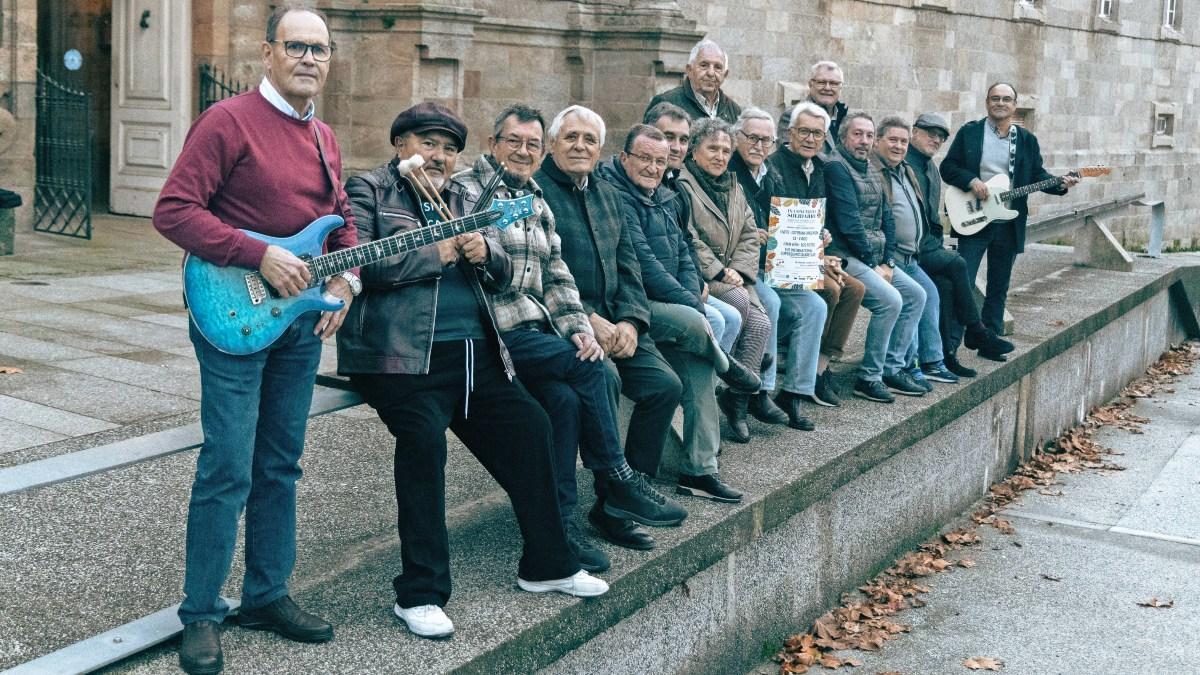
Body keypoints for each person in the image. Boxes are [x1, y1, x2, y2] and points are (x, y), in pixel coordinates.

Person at [339, 102, 608, 641]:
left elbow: (506, 277)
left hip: (474, 355)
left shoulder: (466, 196)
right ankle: (420, 592)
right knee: (422, 444)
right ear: (401, 146)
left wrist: (486, 252)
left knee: (533, 427)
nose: (437, 156)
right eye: (426, 143)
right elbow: (363, 263)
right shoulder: (368, 189)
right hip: (402, 358)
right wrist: (435, 254)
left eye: (447, 148)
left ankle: (546, 564)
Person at [153, 7, 354, 673]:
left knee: (280, 463)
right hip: (232, 315)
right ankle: (202, 614)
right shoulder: (227, 122)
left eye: (319, 49)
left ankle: (267, 592)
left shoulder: (323, 135)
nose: (308, 58)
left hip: (296, 322)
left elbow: (343, 219)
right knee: (228, 465)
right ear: (266, 54)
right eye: (295, 46)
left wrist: (347, 282)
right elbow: (174, 210)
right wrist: (259, 256)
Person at [453, 105, 685, 575]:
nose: (523, 151)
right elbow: (489, 272)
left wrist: (578, 329)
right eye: (514, 141)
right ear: (494, 143)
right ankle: (617, 479)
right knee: (590, 368)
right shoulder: (467, 191)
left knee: (562, 400)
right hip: (493, 332)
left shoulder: (535, 197)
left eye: (531, 144)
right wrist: (584, 332)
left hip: (540, 330)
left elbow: (556, 277)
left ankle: (561, 528)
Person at [535, 105, 687, 551]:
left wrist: (631, 321)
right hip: (564, 323)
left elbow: (630, 267)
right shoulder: (537, 192)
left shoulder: (607, 194)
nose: (580, 146)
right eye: (571, 138)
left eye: (589, 140)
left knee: (664, 385)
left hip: (616, 321)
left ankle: (619, 503)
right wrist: (588, 318)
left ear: (600, 149)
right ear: (553, 144)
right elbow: (539, 274)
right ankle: (614, 487)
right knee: (604, 378)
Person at [598, 123, 753, 502]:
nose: (652, 168)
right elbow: (644, 265)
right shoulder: (616, 196)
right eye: (644, 159)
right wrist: (691, 304)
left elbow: (684, 250)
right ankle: (728, 366)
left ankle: (700, 470)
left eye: (660, 161)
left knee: (697, 370)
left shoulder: (666, 195)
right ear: (624, 158)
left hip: (675, 302)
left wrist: (692, 296)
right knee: (697, 323)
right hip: (632, 304)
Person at [940, 83, 1079, 360]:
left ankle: (988, 341)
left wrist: (1060, 184)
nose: (1000, 103)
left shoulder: (1026, 140)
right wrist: (971, 180)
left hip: (1008, 222)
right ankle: (949, 347)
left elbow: (1037, 175)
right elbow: (948, 167)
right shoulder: (970, 133)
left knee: (999, 286)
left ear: (1015, 105)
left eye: (1006, 99)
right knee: (963, 282)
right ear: (987, 102)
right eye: (995, 98)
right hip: (975, 218)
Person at [675, 117, 774, 443]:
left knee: (761, 324)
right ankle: (725, 378)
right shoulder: (684, 185)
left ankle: (737, 401)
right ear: (694, 150)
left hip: (734, 274)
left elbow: (749, 234)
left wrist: (740, 271)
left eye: (725, 150)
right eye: (712, 148)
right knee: (737, 302)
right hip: (706, 275)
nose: (720, 156)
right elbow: (688, 235)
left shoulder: (735, 186)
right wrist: (718, 270)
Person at [729, 107, 827, 431]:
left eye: (765, 140)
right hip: (741, 268)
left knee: (815, 305)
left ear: (773, 143)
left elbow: (785, 223)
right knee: (769, 301)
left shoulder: (771, 174)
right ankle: (760, 389)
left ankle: (796, 392)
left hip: (773, 266)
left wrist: (815, 235)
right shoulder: (730, 173)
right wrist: (750, 233)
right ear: (736, 138)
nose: (759, 146)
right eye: (752, 138)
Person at [766, 101, 865, 408]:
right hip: (779, 261)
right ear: (790, 132)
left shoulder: (821, 168)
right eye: (804, 132)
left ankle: (820, 369)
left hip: (811, 255)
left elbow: (822, 220)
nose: (810, 139)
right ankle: (798, 375)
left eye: (817, 134)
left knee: (854, 288)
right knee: (831, 290)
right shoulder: (774, 165)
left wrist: (827, 249)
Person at [823, 111, 927, 403]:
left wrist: (889, 262)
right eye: (858, 134)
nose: (864, 141)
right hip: (845, 255)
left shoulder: (871, 168)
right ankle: (869, 377)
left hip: (875, 258)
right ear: (844, 137)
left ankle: (892, 370)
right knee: (890, 301)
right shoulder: (836, 167)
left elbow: (888, 219)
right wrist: (873, 263)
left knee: (916, 295)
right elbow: (849, 223)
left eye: (869, 135)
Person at [906, 112, 1014, 378]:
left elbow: (930, 217)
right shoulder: (905, 162)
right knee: (957, 263)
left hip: (926, 244)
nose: (936, 139)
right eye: (930, 132)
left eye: (941, 136)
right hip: (911, 249)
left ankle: (945, 355)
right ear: (914, 131)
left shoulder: (929, 167)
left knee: (945, 286)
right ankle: (977, 331)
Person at [645, 101, 743, 353]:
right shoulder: (673, 183)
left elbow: (684, 244)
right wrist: (697, 288)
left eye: (682, 139)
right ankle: (719, 375)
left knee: (733, 316)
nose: (676, 147)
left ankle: (720, 381)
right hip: (652, 292)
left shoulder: (672, 186)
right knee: (718, 318)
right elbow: (646, 259)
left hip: (691, 281)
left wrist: (697, 281)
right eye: (669, 137)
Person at [872, 116, 960, 391]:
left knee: (930, 294)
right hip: (891, 256)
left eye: (902, 141)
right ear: (878, 141)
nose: (898, 146)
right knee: (912, 296)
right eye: (892, 140)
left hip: (912, 255)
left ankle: (931, 361)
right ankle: (902, 366)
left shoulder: (906, 170)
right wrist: (885, 258)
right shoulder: (877, 171)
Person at [645, 39, 742, 125]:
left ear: (725, 75)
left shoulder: (733, 110)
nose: (711, 73)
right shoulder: (666, 103)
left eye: (718, 67)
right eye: (704, 65)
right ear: (689, 70)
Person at [776, 61, 849, 158]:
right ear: (810, 84)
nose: (827, 88)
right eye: (821, 82)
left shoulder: (847, 118)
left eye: (833, 83)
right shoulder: (794, 115)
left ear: (841, 87)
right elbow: (787, 155)